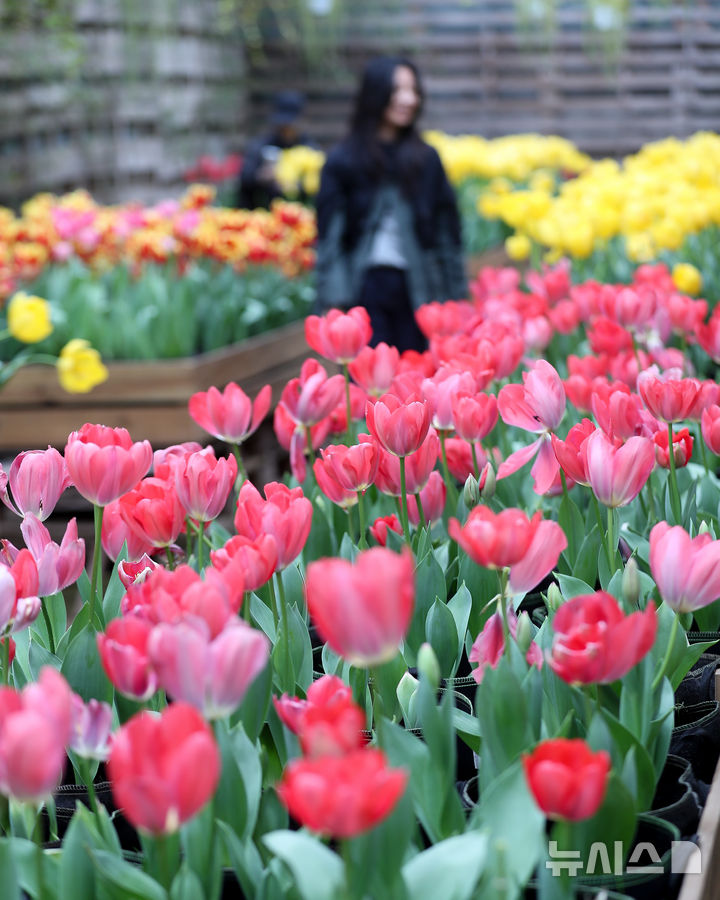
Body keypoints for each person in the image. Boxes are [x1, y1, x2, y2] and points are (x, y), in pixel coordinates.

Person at [314, 56, 467, 353]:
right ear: (376, 94)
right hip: (363, 289)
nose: (408, 99)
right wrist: (333, 301)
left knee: (416, 376)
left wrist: (456, 296)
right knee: (370, 382)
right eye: (398, 90)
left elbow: (448, 232)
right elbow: (330, 238)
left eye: (413, 90)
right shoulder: (343, 160)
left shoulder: (426, 160)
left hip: (419, 288)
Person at [236, 90, 312, 209]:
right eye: (282, 125)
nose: (286, 130)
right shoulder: (262, 145)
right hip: (262, 215)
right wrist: (260, 177)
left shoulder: (309, 150)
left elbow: (318, 183)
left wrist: (295, 185)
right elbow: (245, 176)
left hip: (299, 217)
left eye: (289, 125)